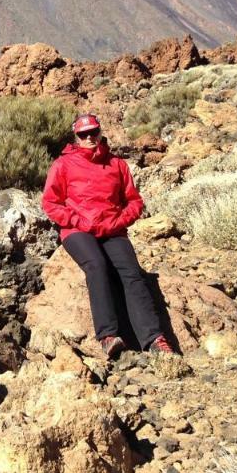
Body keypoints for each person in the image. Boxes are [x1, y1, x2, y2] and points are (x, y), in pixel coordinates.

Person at [41, 113, 175, 359]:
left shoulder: (117, 165)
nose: (89, 137)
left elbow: (134, 202)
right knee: (96, 266)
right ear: (76, 138)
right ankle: (108, 336)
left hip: (112, 229)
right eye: (83, 134)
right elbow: (51, 203)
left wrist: (118, 221)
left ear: (101, 132)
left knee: (131, 274)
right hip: (77, 229)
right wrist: (76, 220)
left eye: (93, 132)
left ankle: (154, 339)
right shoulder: (63, 165)